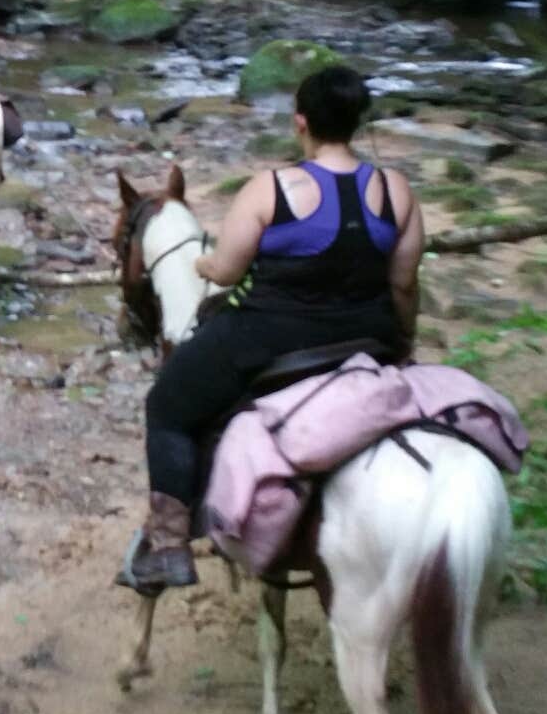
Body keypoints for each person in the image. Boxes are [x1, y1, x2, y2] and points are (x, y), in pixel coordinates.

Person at [121, 63, 425, 593]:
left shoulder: (272, 189)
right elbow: (402, 285)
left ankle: (169, 542)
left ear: (300, 123)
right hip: (366, 336)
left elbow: (228, 270)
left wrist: (203, 266)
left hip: (271, 338)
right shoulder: (396, 190)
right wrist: (402, 342)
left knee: (166, 403)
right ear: (357, 122)